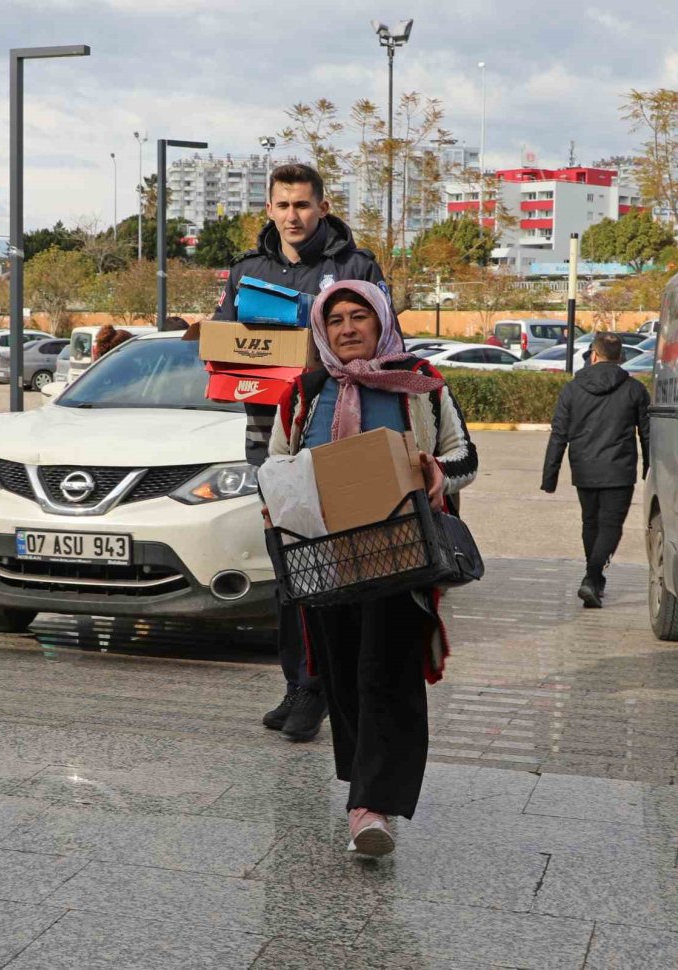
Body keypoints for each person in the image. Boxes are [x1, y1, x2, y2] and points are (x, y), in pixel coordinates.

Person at [265, 280, 478, 856]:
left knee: (387, 673)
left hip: (403, 556)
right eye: (336, 321)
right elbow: (277, 465)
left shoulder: (420, 384)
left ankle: (371, 805)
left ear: (381, 321)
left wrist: (436, 470)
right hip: (327, 559)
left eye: (360, 316)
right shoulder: (306, 392)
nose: (349, 328)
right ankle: (364, 788)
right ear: (322, 332)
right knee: (345, 676)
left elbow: (465, 455)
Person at [214, 163, 388, 743]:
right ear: (269, 208)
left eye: (303, 205)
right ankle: (300, 685)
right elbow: (224, 346)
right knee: (290, 570)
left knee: (345, 572)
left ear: (322, 207)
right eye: (283, 205)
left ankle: (331, 688)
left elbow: (387, 346)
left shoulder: (355, 267)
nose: (293, 216)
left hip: (344, 439)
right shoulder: (247, 271)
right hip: (271, 441)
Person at [541, 331, 650, 608]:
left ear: (594, 355)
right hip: (620, 471)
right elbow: (647, 434)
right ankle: (592, 578)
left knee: (591, 523)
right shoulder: (635, 389)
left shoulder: (572, 389)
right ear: (621, 357)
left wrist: (550, 476)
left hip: (585, 469)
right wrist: (650, 465)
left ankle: (595, 583)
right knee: (610, 526)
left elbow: (558, 434)